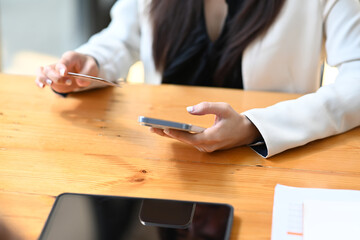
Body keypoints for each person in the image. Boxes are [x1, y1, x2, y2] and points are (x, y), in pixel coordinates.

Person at [35, 0, 360, 158]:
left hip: (266, 159)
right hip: (165, 157)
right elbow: (123, 36)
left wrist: (255, 127)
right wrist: (93, 63)